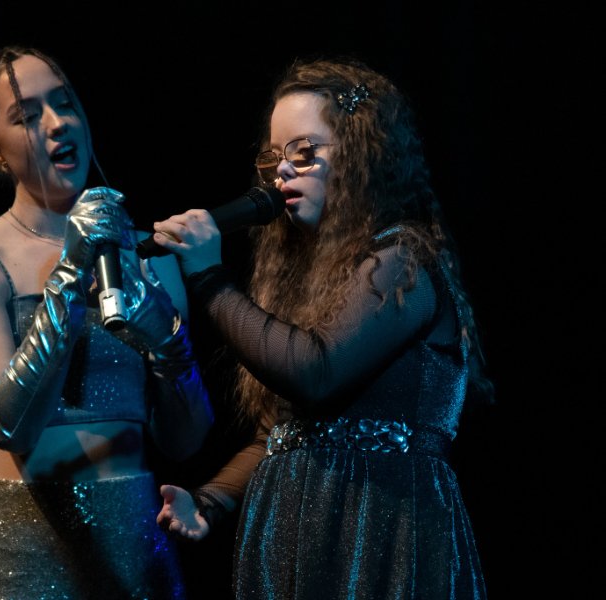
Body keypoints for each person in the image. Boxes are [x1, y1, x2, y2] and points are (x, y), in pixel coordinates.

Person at [153, 56, 493, 599]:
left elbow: (315, 372)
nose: (282, 172)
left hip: (383, 526)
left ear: (361, 155)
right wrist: (209, 501)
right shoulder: (310, 279)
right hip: (293, 532)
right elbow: (283, 432)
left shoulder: (401, 263)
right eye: (274, 157)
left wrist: (209, 279)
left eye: (305, 153)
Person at [0, 45, 214, 599]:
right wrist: (68, 277)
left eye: (64, 104)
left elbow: (185, 440)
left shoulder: (149, 254)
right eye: (27, 115)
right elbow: (9, 428)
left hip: (136, 543)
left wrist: (168, 343)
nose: (57, 123)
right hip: (24, 550)